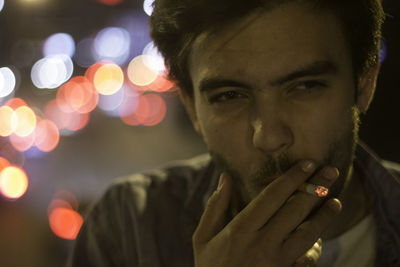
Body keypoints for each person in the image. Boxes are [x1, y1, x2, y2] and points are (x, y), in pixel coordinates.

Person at [68, 0, 400, 266]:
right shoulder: (129, 226)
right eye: (229, 96)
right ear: (192, 108)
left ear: (364, 83)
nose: (269, 137)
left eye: (305, 87)